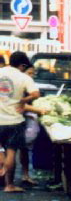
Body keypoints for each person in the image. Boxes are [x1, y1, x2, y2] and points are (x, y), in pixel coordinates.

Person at [0, 51, 39, 192]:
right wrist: (23, 100)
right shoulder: (23, 77)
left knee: (0, 151)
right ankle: (9, 185)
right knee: (11, 152)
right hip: (14, 120)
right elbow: (36, 94)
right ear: (22, 65)